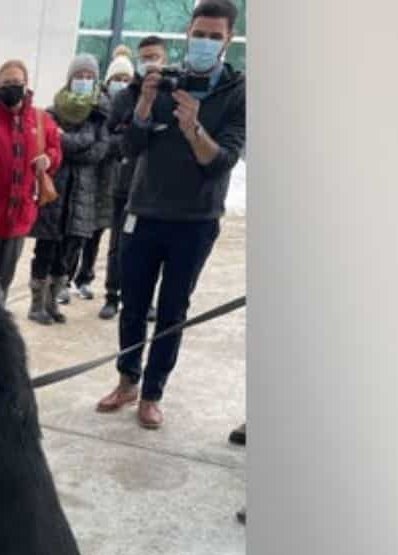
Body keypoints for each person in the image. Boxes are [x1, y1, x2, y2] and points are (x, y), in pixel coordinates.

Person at [96, 2, 246, 429]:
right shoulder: (160, 82)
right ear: (187, 34)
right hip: (144, 211)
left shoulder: (236, 93)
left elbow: (220, 161)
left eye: (215, 37)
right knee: (132, 303)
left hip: (196, 221)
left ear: (227, 41)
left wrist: (193, 127)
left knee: (172, 310)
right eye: (200, 34)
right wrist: (144, 102)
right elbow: (129, 147)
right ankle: (127, 380)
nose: (205, 43)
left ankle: (152, 392)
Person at [26, 54, 111, 325]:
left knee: (68, 251)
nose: (84, 81)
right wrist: (74, 145)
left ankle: (53, 302)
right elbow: (48, 146)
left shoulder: (100, 115)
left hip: (83, 195)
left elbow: (98, 152)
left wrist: (66, 143)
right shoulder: (51, 113)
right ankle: (37, 304)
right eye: (79, 76)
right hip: (55, 192)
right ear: (69, 79)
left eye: (89, 77)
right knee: (46, 249)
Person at [0, 59, 60, 300]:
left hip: (20, 215)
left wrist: (49, 158)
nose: (12, 87)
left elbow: (56, 148)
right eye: (6, 83)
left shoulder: (40, 119)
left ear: (26, 85)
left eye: (17, 82)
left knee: (4, 280)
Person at [73, 47, 137, 316]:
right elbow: (106, 140)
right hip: (98, 181)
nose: (121, 84)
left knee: (120, 242)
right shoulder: (100, 105)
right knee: (87, 233)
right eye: (116, 79)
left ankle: (113, 291)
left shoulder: (138, 105)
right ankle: (78, 277)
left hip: (129, 187)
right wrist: (115, 142)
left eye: (126, 78)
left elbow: (129, 143)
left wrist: (117, 142)